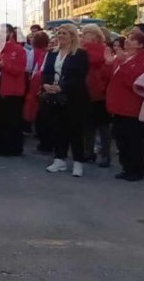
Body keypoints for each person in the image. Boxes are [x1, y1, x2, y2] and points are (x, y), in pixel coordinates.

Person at [42, 24, 91, 177]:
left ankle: (78, 161)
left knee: (75, 130)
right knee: (57, 129)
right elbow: (47, 72)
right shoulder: (51, 53)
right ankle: (59, 158)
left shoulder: (80, 54)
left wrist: (62, 87)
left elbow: (80, 76)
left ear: (72, 36)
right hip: (54, 96)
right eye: (59, 33)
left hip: (74, 97)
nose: (61, 36)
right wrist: (46, 84)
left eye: (64, 33)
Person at [105, 32, 144, 181]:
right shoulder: (124, 57)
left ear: (140, 44)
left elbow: (134, 83)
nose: (127, 41)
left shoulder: (142, 60)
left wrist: (123, 64)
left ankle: (137, 170)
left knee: (133, 140)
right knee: (121, 139)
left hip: (131, 107)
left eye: (132, 40)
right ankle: (126, 167)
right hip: (119, 105)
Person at [0, 25, 27, 156]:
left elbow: (19, 70)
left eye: (5, 32)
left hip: (11, 90)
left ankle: (12, 148)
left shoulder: (19, 50)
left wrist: (4, 65)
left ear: (11, 33)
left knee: (12, 120)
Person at [81, 25, 112, 167]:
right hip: (86, 90)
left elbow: (95, 61)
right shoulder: (82, 49)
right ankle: (89, 151)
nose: (83, 36)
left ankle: (105, 154)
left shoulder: (101, 48)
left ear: (95, 35)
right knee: (88, 125)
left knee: (103, 126)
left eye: (86, 34)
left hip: (99, 90)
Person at [25, 31, 52, 154]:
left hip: (37, 83)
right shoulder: (49, 52)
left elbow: (29, 68)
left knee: (38, 111)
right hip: (46, 83)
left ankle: (43, 140)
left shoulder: (33, 52)